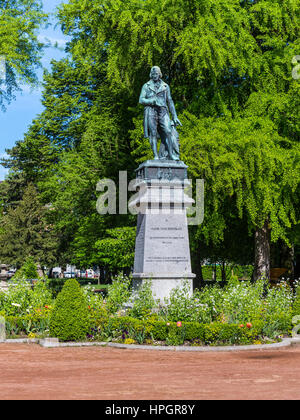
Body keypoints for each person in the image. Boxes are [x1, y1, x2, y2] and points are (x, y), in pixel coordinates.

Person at [139, 66, 181, 160]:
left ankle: (171, 154)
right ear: (151, 74)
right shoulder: (146, 86)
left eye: (156, 74)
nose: (155, 76)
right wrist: (151, 101)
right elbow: (141, 100)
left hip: (163, 111)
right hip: (151, 111)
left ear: (160, 74)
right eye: (153, 74)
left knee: (168, 131)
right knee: (153, 133)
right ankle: (156, 156)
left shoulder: (165, 86)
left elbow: (169, 100)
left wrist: (174, 116)